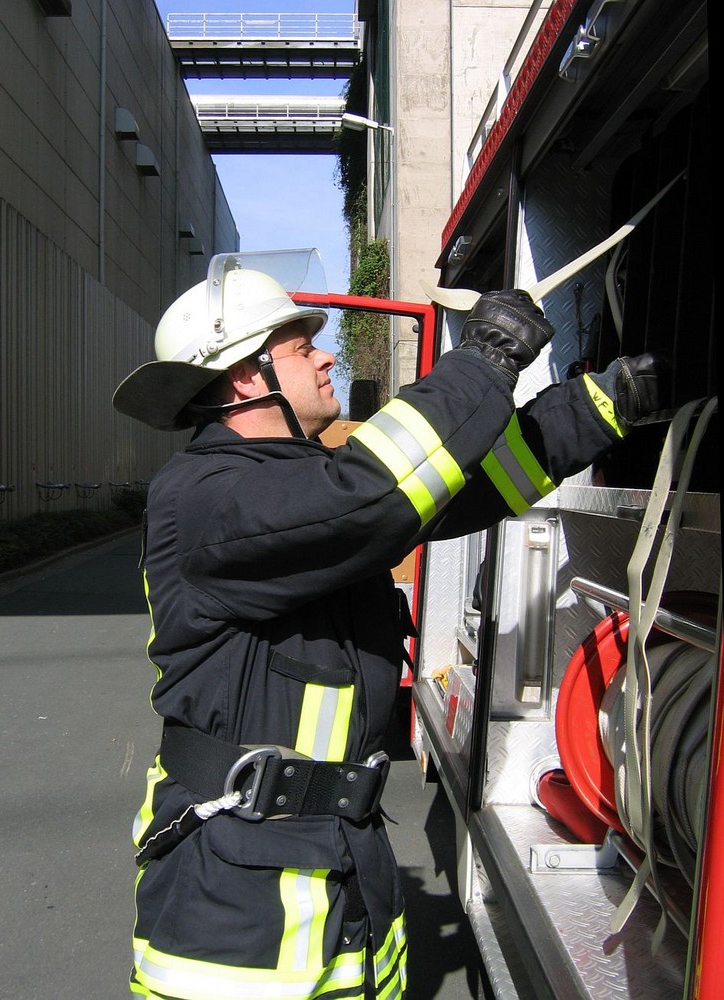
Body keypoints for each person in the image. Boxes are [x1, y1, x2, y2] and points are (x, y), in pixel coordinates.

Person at [112, 251, 667, 1000]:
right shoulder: (206, 498)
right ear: (246, 376)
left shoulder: (299, 489)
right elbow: (376, 492)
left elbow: (466, 485)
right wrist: (485, 360)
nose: (326, 355)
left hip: (341, 886)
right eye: (302, 347)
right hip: (232, 922)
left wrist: (601, 404)